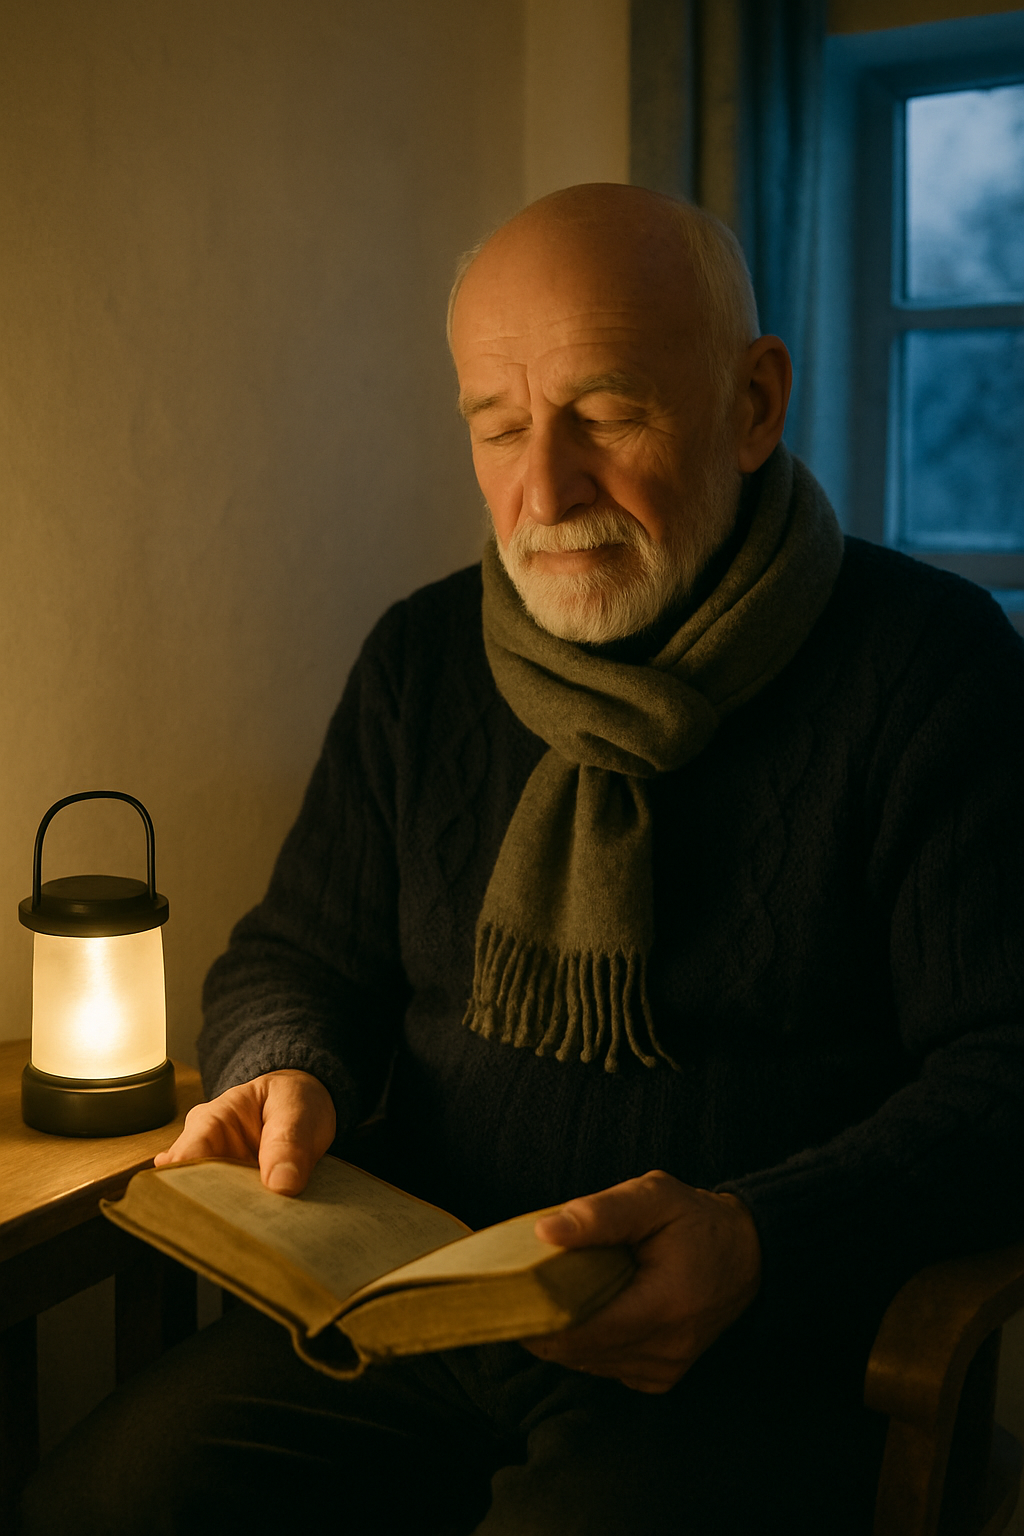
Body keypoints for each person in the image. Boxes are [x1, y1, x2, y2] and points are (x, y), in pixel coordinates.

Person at [21, 183, 1024, 1536]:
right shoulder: (422, 660)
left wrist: (762, 1237)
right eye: (498, 426)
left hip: (744, 1347)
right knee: (94, 1504)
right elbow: (298, 954)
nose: (545, 489)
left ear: (753, 405)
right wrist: (282, 1070)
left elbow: (1006, 1068)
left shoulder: (933, 668)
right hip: (418, 1308)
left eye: (607, 413)